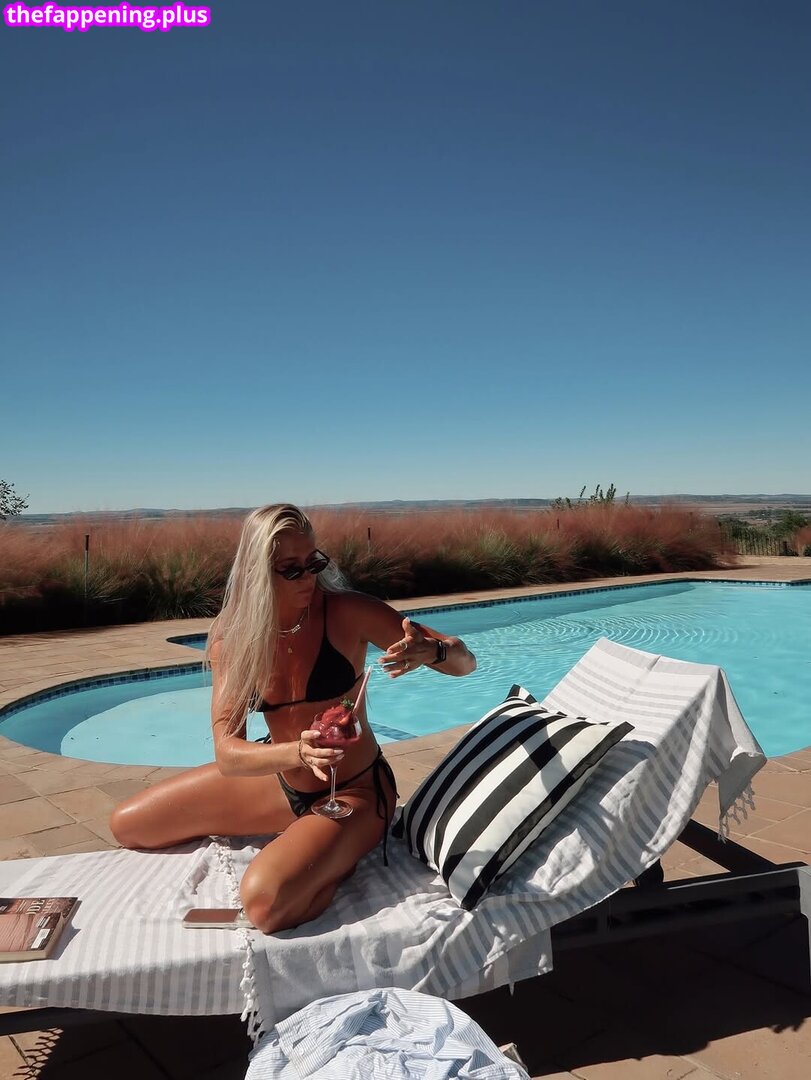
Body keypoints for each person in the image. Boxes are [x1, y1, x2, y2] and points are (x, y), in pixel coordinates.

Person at [110, 503, 476, 933]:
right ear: (255, 572)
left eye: (314, 563)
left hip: (353, 791)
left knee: (265, 904)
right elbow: (228, 754)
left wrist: (433, 651)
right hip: (282, 780)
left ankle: (336, 853)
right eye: (291, 569)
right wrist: (296, 754)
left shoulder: (348, 612)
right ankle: (312, 841)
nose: (309, 578)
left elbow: (465, 663)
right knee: (129, 825)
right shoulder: (234, 638)